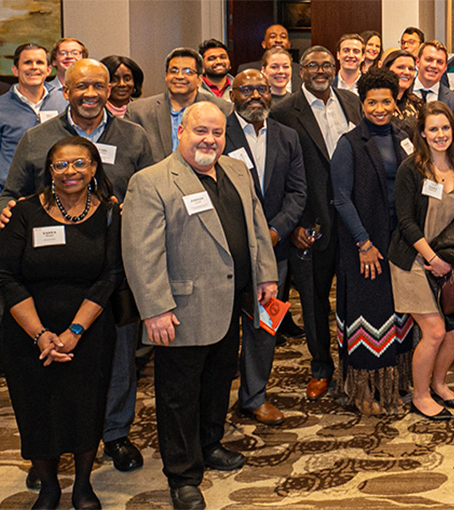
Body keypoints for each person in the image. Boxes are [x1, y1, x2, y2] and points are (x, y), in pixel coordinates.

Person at [121, 102, 277, 510]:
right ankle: (183, 475)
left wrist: (266, 276)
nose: (210, 139)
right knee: (178, 395)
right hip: (180, 309)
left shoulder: (236, 171)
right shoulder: (152, 181)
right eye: (200, 131)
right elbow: (141, 253)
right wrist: (154, 309)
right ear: (180, 132)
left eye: (217, 132)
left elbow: (256, 225)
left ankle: (210, 444)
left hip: (231, 302)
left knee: (216, 381)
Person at [0, 136, 121, 510]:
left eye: (80, 163)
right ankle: (48, 486)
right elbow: (6, 275)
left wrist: (74, 332)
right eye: (61, 165)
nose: (70, 172)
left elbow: (110, 276)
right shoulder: (23, 212)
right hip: (28, 330)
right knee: (36, 408)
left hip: (89, 329)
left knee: (86, 406)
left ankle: (83, 486)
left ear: (94, 168)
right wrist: (41, 335)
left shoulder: (110, 212)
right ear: (49, 171)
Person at [383, 101, 454, 421]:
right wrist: (431, 258)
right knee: (434, 330)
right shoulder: (411, 169)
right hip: (413, 260)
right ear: (422, 134)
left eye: (445, 128)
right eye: (433, 129)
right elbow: (406, 221)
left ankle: (440, 384)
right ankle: (420, 396)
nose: (440, 134)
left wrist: (450, 261)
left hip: (445, 262)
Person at [215, 66, 307, 427]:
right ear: (232, 94)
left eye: (262, 89)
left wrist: (275, 231)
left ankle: (254, 396)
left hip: (273, 250)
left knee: (264, 326)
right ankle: (215, 399)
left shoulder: (287, 136)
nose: (255, 96)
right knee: (221, 330)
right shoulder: (218, 133)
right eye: (246, 89)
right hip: (227, 249)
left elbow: (298, 192)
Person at [268, 45, 360, 401]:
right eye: (312, 65)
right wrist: (292, 224)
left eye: (327, 65)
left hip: (352, 220)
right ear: (300, 71)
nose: (320, 71)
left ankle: (356, 362)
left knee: (353, 296)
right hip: (310, 224)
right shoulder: (283, 112)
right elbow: (279, 177)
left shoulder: (351, 103)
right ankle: (321, 367)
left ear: (336, 68)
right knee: (314, 299)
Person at [328, 68, 418, 417]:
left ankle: (393, 384)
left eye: (386, 101)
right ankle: (365, 393)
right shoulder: (349, 143)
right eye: (371, 102)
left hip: (398, 241)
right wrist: (364, 243)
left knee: (398, 312)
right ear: (361, 104)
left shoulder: (403, 137)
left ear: (395, 102)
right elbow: (341, 198)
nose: (379, 108)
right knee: (370, 316)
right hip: (366, 246)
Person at [0, 59, 162, 214]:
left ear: (108, 91)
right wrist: (4, 211)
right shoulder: (35, 138)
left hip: (116, 238)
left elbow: (151, 192)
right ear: (66, 92)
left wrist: (135, 209)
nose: (90, 94)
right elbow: (9, 196)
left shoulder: (134, 136)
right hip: (54, 238)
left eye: (98, 86)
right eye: (81, 86)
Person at [0, 43, 69, 207]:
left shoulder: (64, 104)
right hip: (13, 200)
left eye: (39, 63)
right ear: (15, 70)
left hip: (60, 195)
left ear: (49, 70)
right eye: (27, 63)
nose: (34, 67)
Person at [128, 48, 232, 154]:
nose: (180, 76)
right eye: (174, 71)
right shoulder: (139, 112)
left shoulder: (222, 109)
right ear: (166, 76)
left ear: (199, 79)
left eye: (188, 71)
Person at [413, 42, 454, 141]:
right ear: (417, 62)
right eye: (429, 59)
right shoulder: (400, 94)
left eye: (439, 62)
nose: (434, 65)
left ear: (445, 68)